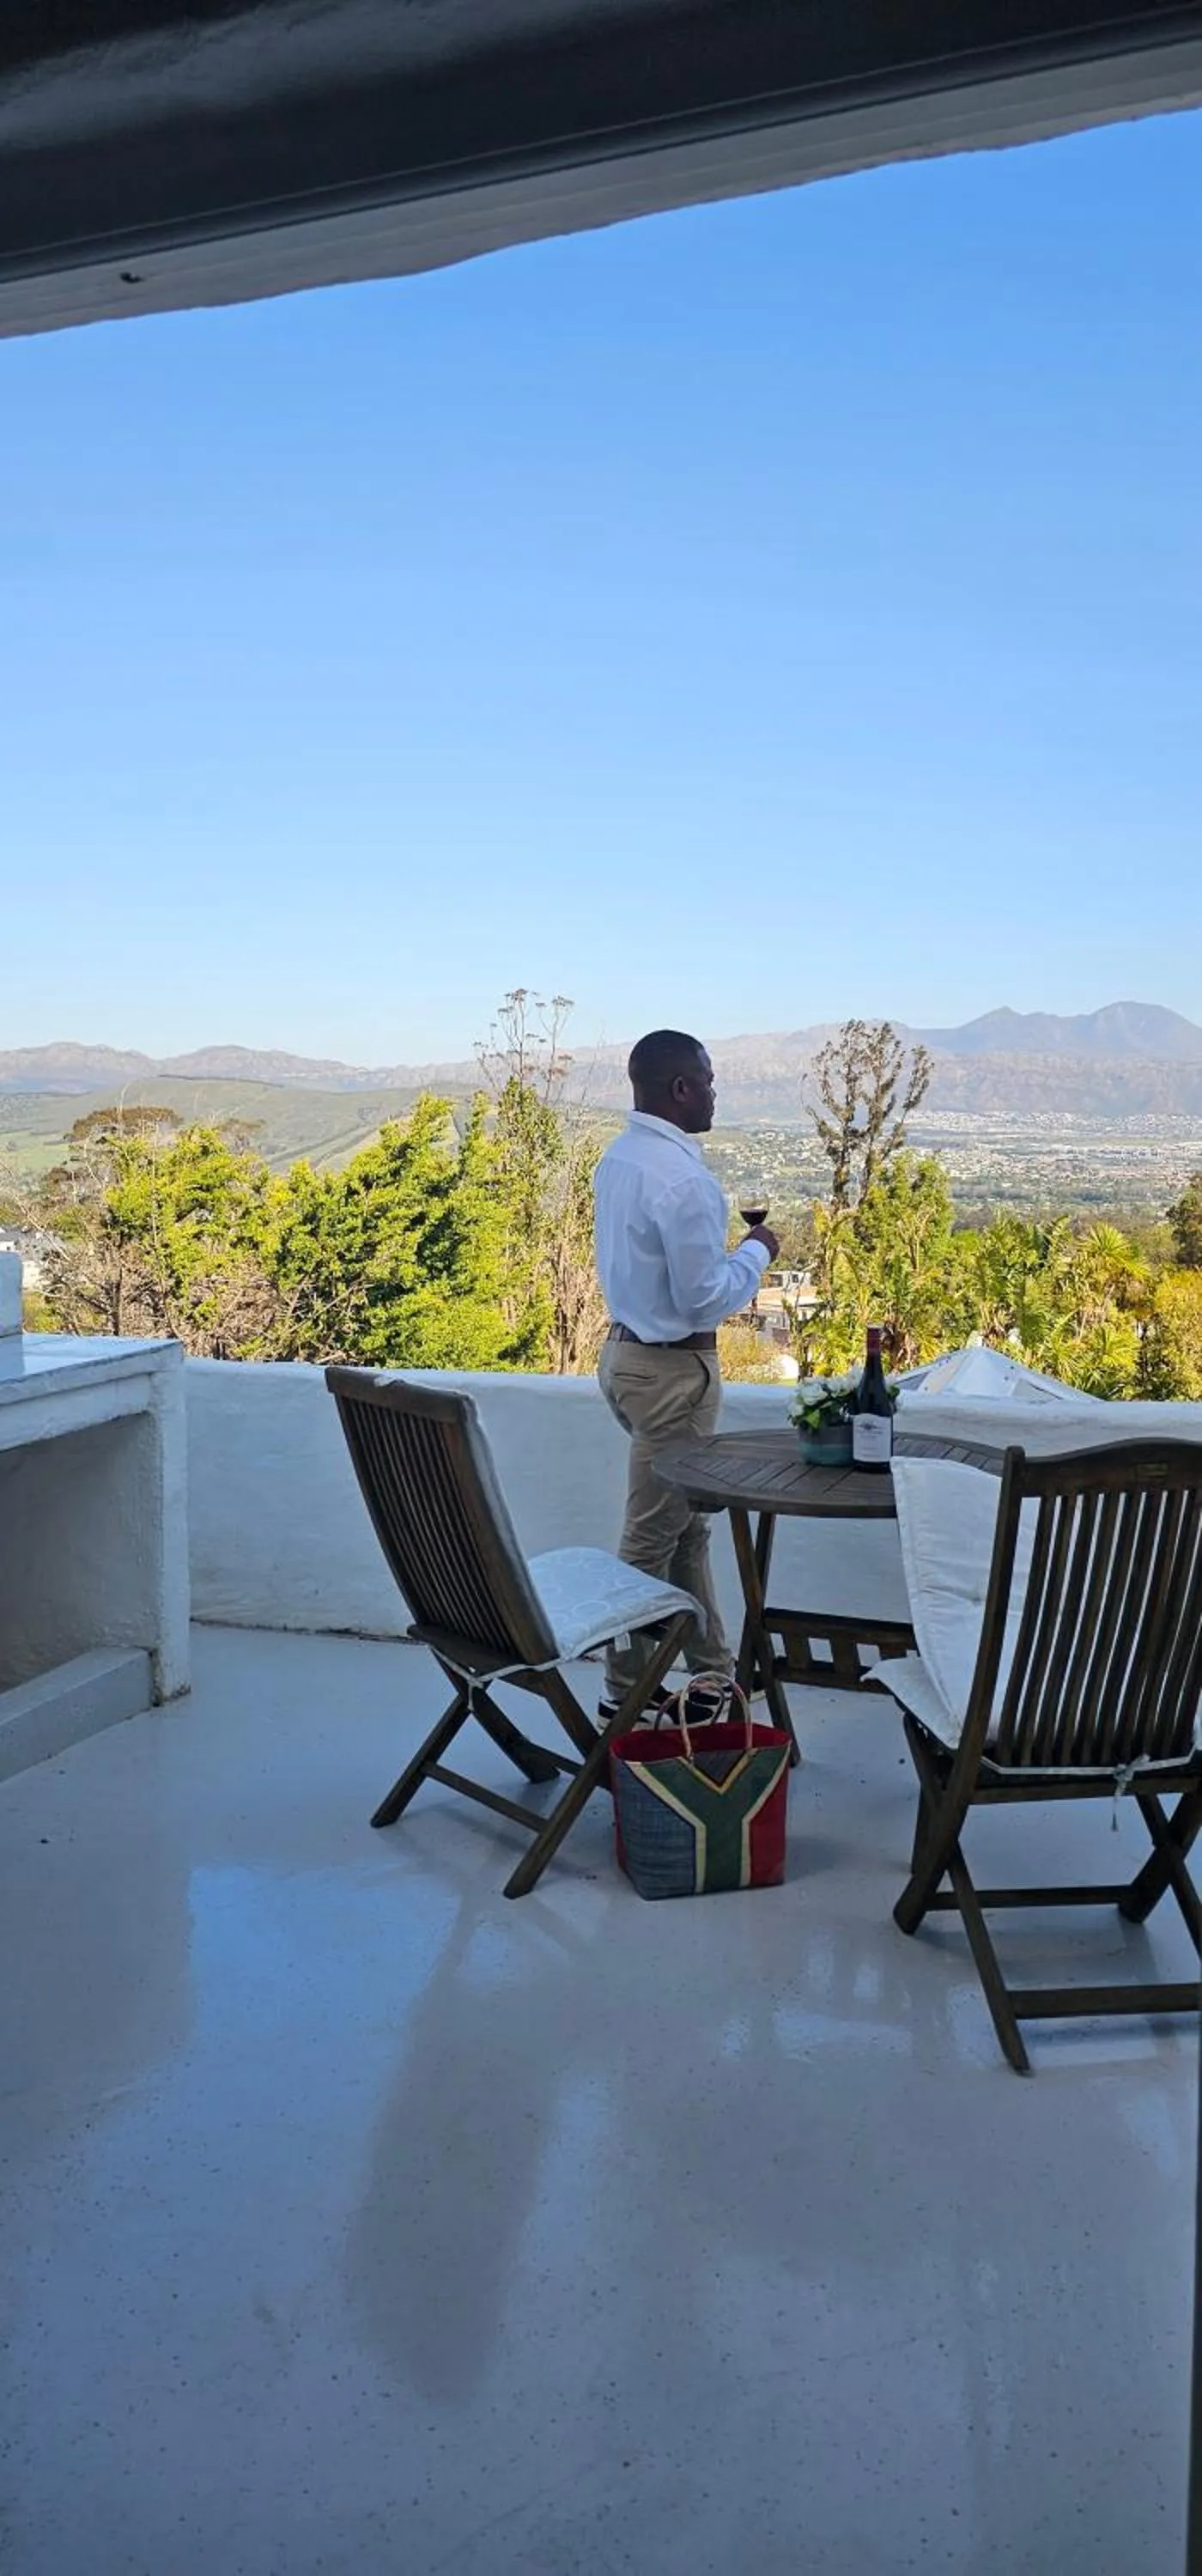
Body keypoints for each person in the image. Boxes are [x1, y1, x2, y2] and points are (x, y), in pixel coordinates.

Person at [593, 1029, 780, 1716]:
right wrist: (757, 1252)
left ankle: (713, 1676)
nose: (714, 1092)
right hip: (674, 1376)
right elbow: (705, 1296)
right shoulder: (685, 1180)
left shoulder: (620, 1159)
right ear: (680, 1088)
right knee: (649, 1537)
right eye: (707, 1080)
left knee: (684, 1530)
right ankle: (623, 1699)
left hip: (625, 1361)